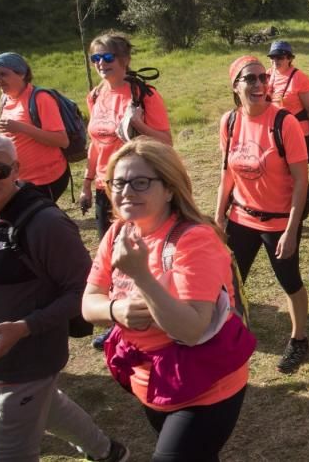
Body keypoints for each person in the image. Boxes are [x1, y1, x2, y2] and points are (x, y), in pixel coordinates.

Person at [83, 137, 252, 461]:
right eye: (118, 182)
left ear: (170, 189)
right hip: (153, 382)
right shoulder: (119, 232)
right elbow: (88, 302)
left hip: (206, 386)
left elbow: (190, 329)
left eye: (141, 182)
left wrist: (141, 276)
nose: (126, 192)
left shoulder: (194, 240)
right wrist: (115, 310)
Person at [0, 130, 128, 462]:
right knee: (49, 407)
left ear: (16, 169)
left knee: (10, 452)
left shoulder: (44, 224)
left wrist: (24, 327)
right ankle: (107, 452)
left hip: (27, 359)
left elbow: (83, 290)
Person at [216, 56, 309, 373]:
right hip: (241, 218)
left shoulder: (284, 123)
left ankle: (299, 341)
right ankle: (231, 335)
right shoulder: (229, 122)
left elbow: (301, 182)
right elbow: (226, 174)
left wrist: (292, 230)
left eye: (262, 78)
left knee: (290, 283)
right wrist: (218, 219)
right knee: (229, 282)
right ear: (235, 85)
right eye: (250, 79)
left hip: (279, 221)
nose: (259, 84)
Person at [81, 32, 173, 351]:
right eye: (96, 59)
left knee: (138, 248)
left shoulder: (143, 94)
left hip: (137, 186)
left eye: (108, 58)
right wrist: (86, 182)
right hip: (105, 186)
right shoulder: (95, 95)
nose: (102, 64)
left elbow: (166, 142)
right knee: (114, 254)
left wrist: (138, 124)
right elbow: (96, 143)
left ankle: (151, 307)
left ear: (124, 60)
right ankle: (121, 314)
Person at [0, 52, 71, 202]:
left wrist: (21, 127)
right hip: (19, 178)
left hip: (45, 178)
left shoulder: (41, 98)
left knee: (38, 219)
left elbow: (62, 141)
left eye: (3, 74)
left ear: (21, 74)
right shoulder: (5, 99)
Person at [266, 40, 309, 208]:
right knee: (281, 168)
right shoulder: (269, 75)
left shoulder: (299, 78)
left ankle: (303, 199)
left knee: (294, 169)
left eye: (280, 56)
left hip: (300, 131)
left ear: (289, 58)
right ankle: (308, 195)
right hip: (277, 131)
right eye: (273, 57)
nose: (276, 60)